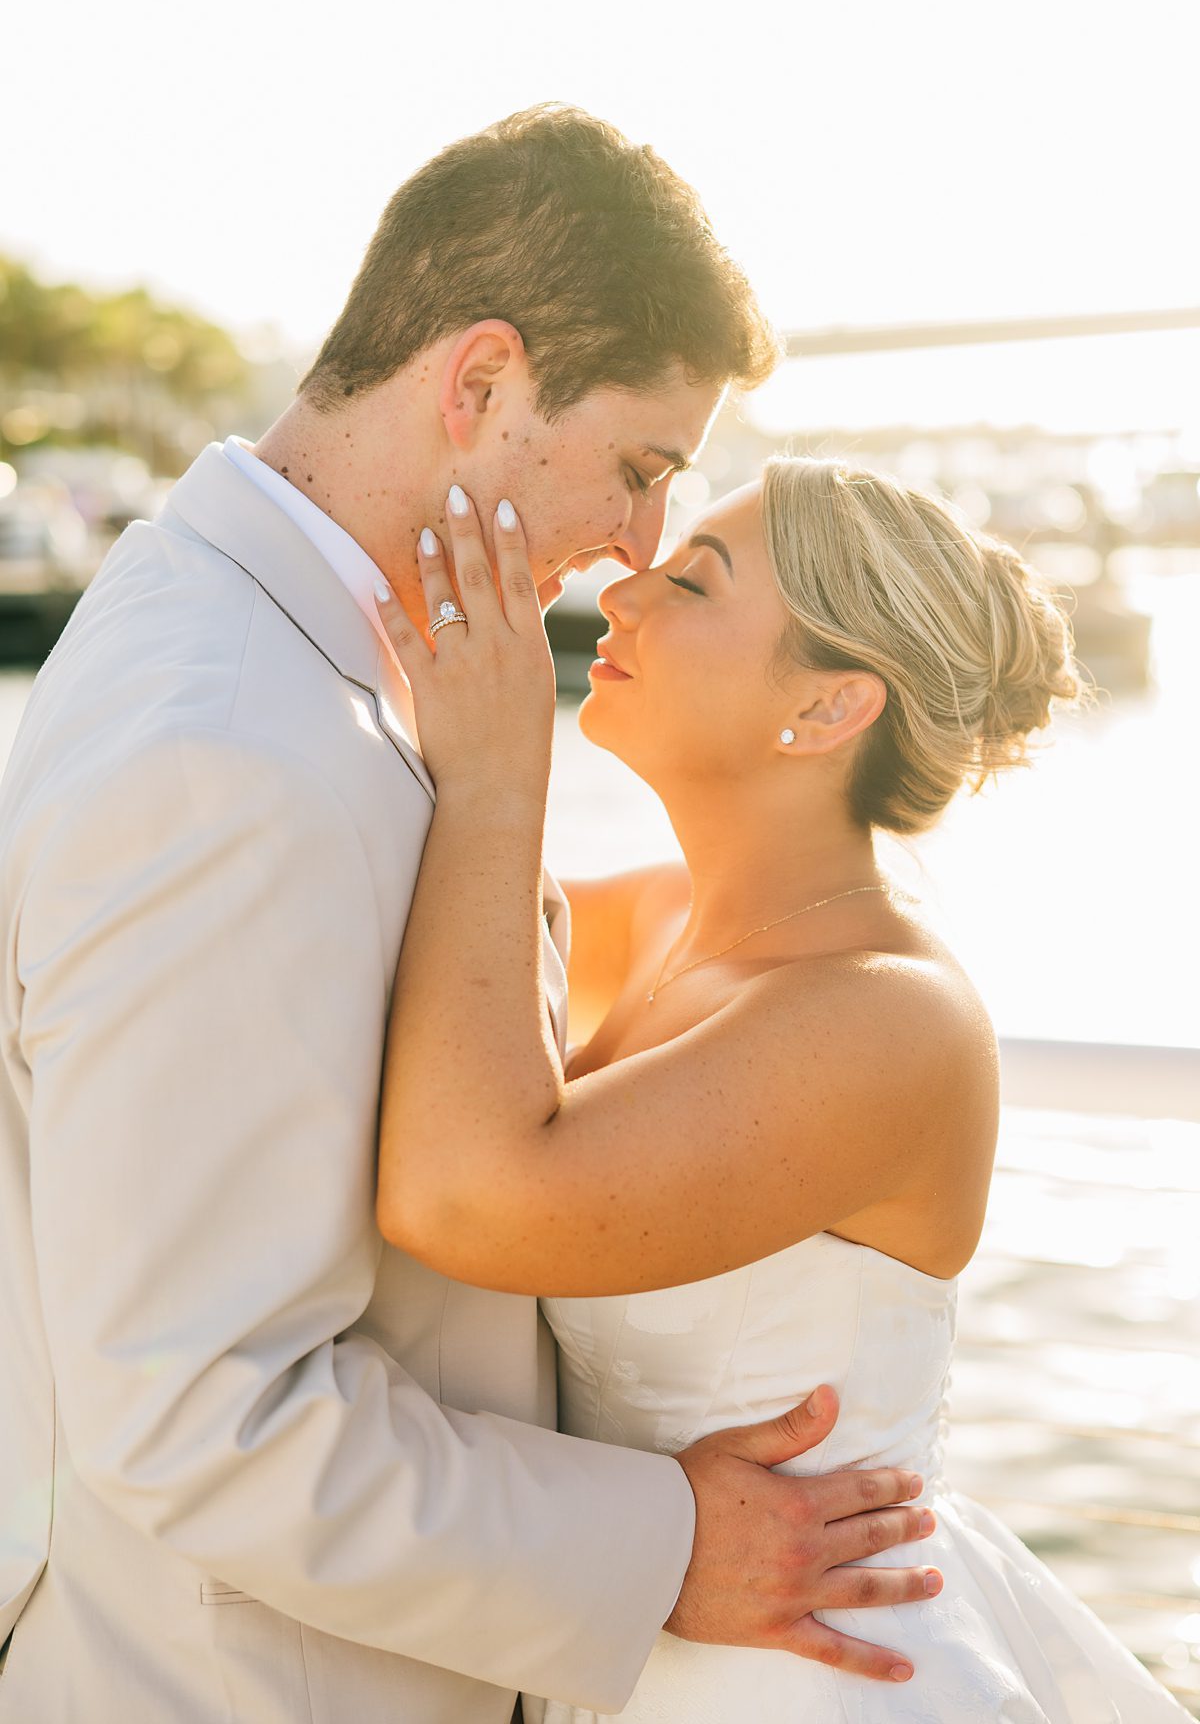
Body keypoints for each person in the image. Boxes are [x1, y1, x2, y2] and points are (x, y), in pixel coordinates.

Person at [0, 106, 938, 1724]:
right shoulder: (230, 754)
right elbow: (198, 1417)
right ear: (481, 383)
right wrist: (661, 1546)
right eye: (641, 468)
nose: (636, 546)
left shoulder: (222, 633)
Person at [371, 457, 1189, 1721]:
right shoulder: (663, 919)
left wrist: (496, 772)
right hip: (634, 1635)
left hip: (804, 1677)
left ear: (827, 707)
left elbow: (463, 1197)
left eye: (694, 579)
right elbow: (407, 957)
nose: (628, 593)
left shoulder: (885, 1016)